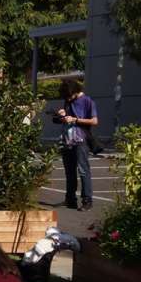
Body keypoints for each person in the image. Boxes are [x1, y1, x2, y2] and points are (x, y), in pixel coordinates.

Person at [55, 79, 98, 211]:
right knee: (69, 171)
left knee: (83, 170)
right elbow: (64, 118)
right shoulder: (68, 100)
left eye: (69, 96)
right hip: (67, 139)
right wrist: (61, 115)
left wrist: (75, 119)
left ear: (75, 91)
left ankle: (87, 200)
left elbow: (94, 121)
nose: (68, 99)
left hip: (81, 140)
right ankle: (70, 199)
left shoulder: (87, 101)